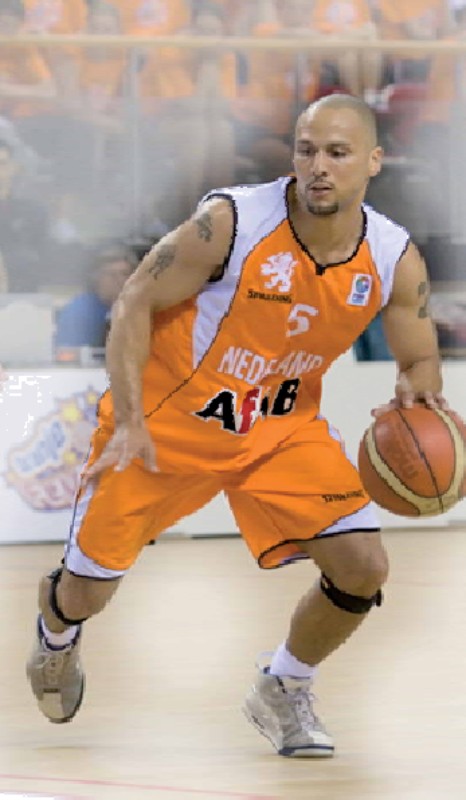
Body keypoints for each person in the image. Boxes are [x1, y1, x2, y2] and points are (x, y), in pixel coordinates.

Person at [26, 94, 446, 757]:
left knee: (363, 567)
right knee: (87, 591)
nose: (318, 166)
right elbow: (134, 301)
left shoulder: (394, 256)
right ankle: (56, 637)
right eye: (306, 150)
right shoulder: (231, 223)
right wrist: (129, 419)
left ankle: (284, 684)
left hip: (279, 431)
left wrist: (417, 394)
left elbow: (420, 358)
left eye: (337, 153)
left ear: (374, 161)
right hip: (165, 426)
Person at [55, 245, 137, 348]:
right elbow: (69, 351)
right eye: (111, 274)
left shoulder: (139, 309)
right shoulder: (79, 311)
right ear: (96, 277)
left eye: (124, 274)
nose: (119, 280)